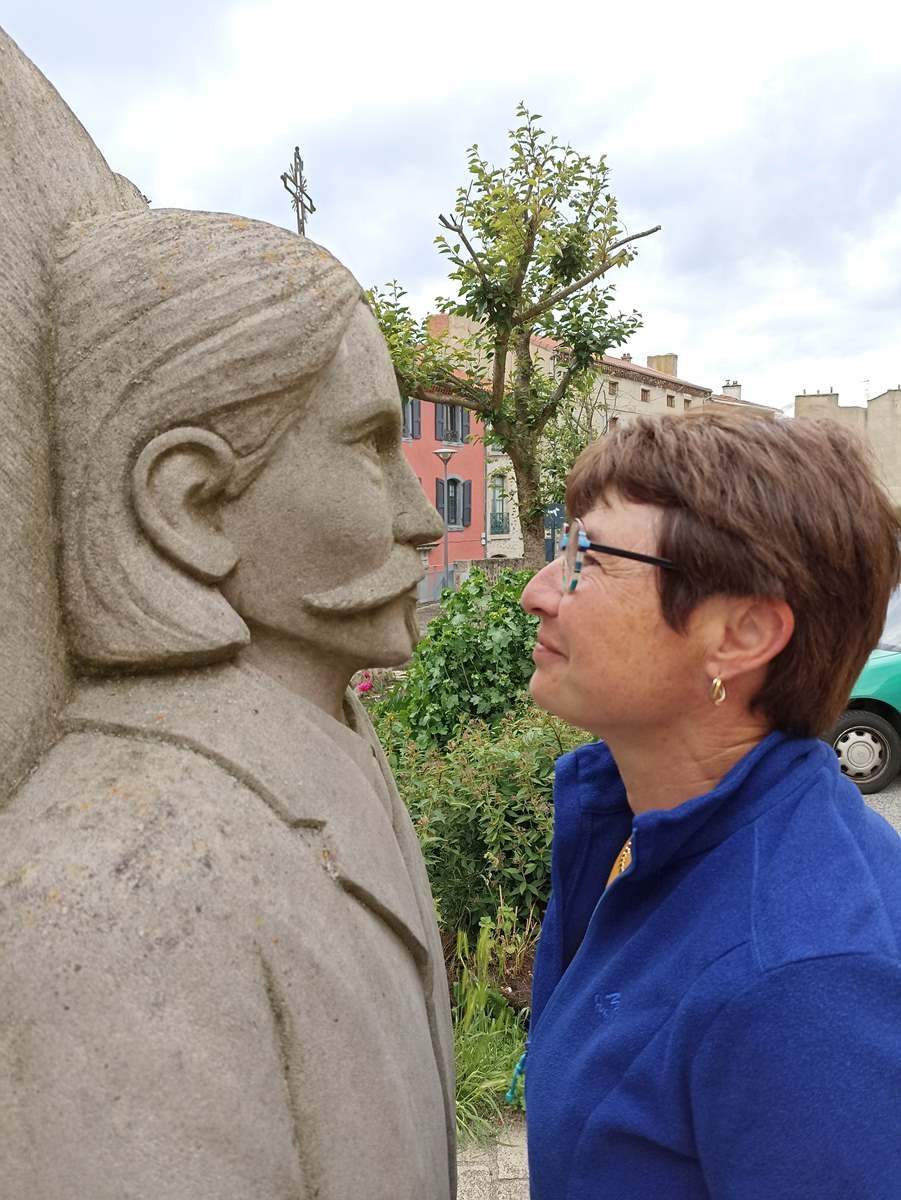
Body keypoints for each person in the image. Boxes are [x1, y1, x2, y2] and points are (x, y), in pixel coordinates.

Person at [0, 210, 455, 1199]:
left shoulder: (332, 750)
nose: (421, 517)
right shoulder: (114, 893)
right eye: (371, 446)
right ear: (190, 505)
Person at [520, 411, 901, 1200]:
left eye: (587, 557)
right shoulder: (643, 830)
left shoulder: (799, 986)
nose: (538, 592)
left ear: (742, 633)